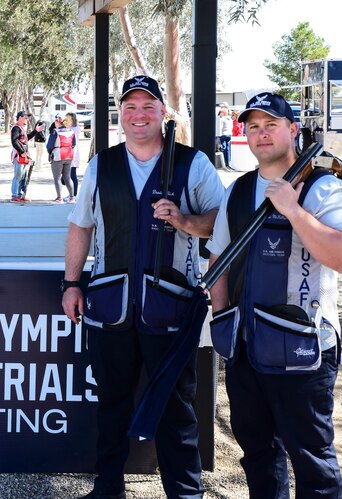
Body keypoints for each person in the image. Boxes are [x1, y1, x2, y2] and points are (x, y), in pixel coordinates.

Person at [61, 75, 225, 498]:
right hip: (110, 305)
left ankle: (185, 492)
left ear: (163, 113)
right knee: (112, 404)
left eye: (148, 107)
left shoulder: (192, 163)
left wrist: (185, 221)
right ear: (121, 114)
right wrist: (72, 283)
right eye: (130, 107)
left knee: (175, 408)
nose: (138, 116)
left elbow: (223, 223)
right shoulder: (102, 164)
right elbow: (81, 225)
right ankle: (108, 487)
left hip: (170, 308)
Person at [206, 92, 342, 498]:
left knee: (313, 461)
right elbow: (218, 258)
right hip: (246, 350)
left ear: (292, 130)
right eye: (253, 126)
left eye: (271, 124)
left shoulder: (324, 189)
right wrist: (223, 322)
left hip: (305, 353)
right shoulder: (237, 191)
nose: (261, 134)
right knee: (257, 454)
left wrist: (293, 209)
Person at [9, 111, 40, 202]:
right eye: (25, 117)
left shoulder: (21, 129)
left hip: (24, 156)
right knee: (18, 176)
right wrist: (22, 152)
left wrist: (35, 131)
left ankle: (21, 195)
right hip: (19, 156)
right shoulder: (16, 128)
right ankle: (15, 195)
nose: (27, 119)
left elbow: (26, 138)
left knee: (23, 177)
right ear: (20, 117)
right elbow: (14, 141)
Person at [46, 113, 76, 203]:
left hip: (58, 155)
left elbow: (49, 146)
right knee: (67, 177)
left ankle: (59, 198)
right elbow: (73, 144)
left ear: (58, 122)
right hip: (69, 155)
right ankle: (72, 198)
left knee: (57, 177)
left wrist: (50, 153)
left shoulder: (55, 132)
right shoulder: (71, 131)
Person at [67, 112, 82, 200]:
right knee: (67, 175)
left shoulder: (75, 129)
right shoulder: (68, 127)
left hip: (73, 153)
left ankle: (74, 194)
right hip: (67, 153)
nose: (67, 120)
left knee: (72, 174)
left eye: (69, 118)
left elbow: (74, 143)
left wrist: (72, 155)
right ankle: (71, 194)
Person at [217, 102, 232, 168]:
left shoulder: (222, 119)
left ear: (223, 113)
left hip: (223, 134)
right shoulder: (230, 119)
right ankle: (228, 162)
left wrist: (218, 135)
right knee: (228, 149)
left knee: (223, 148)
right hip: (229, 134)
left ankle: (225, 163)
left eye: (220, 112)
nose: (220, 113)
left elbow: (220, 127)